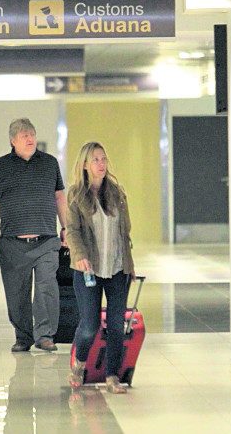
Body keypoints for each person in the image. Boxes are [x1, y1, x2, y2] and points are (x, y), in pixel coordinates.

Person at [0, 118, 67, 352]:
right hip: (13, 243)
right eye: (24, 135)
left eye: (32, 134)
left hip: (46, 240)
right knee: (17, 293)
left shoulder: (50, 163)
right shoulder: (0, 166)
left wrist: (66, 227)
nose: (30, 138)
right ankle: (23, 337)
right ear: (13, 141)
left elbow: (60, 196)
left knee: (46, 289)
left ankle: (44, 335)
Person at [65, 142, 135, 394]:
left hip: (117, 268)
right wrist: (80, 255)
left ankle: (112, 376)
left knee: (116, 325)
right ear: (85, 164)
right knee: (89, 325)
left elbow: (124, 231)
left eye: (103, 159)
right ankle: (79, 365)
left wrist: (129, 266)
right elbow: (71, 231)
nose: (101, 164)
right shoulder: (75, 195)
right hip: (88, 270)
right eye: (95, 159)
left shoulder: (117, 193)